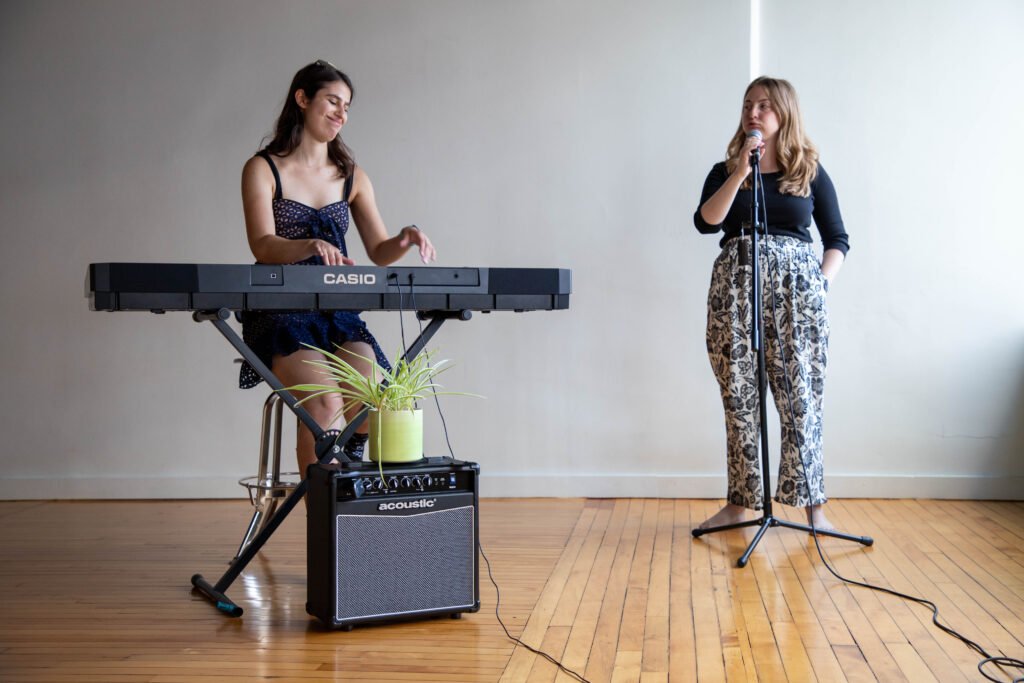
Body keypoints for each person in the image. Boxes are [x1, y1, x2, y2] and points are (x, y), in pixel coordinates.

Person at [239, 60, 435, 476]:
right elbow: (261, 243)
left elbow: (379, 250)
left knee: (374, 401)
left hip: (337, 313)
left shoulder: (352, 177)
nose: (341, 114)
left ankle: (346, 490)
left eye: (346, 106)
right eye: (332, 101)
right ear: (302, 99)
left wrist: (405, 238)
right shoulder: (263, 168)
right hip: (283, 313)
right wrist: (307, 244)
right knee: (324, 403)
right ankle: (322, 522)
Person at [693, 76, 849, 531]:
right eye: (747, 105)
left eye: (763, 105)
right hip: (734, 293)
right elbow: (706, 222)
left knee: (801, 398)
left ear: (784, 114)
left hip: (797, 298)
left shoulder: (809, 171)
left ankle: (814, 510)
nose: (753, 113)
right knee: (740, 398)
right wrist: (742, 170)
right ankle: (741, 505)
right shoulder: (726, 170)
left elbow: (837, 238)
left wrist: (820, 284)